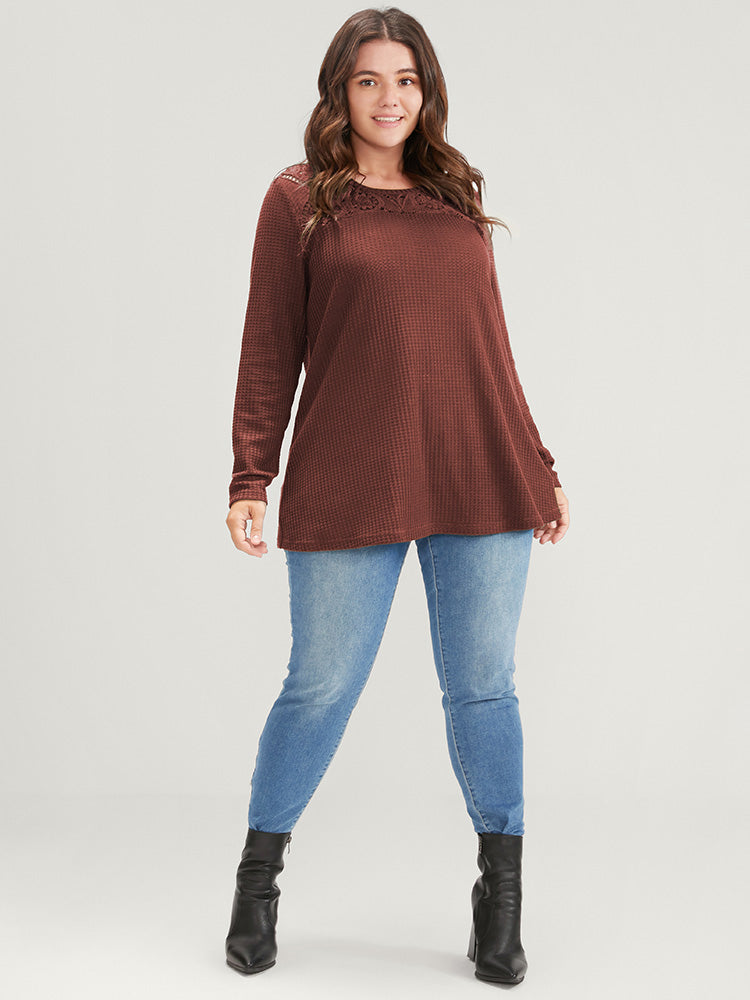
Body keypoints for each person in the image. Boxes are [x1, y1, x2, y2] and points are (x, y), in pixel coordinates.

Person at [223, 6, 569, 986]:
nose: (389, 98)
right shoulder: (300, 199)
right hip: (352, 470)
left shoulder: (455, 196)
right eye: (369, 79)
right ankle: (257, 881)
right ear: (341, 90)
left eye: (406, 80)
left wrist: (537, 461)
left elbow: (487, 343)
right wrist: (251, 475)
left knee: (485, 687)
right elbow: (268, 346)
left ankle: (500, 902)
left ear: (428, 91)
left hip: (477, 468)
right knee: (321, 684)